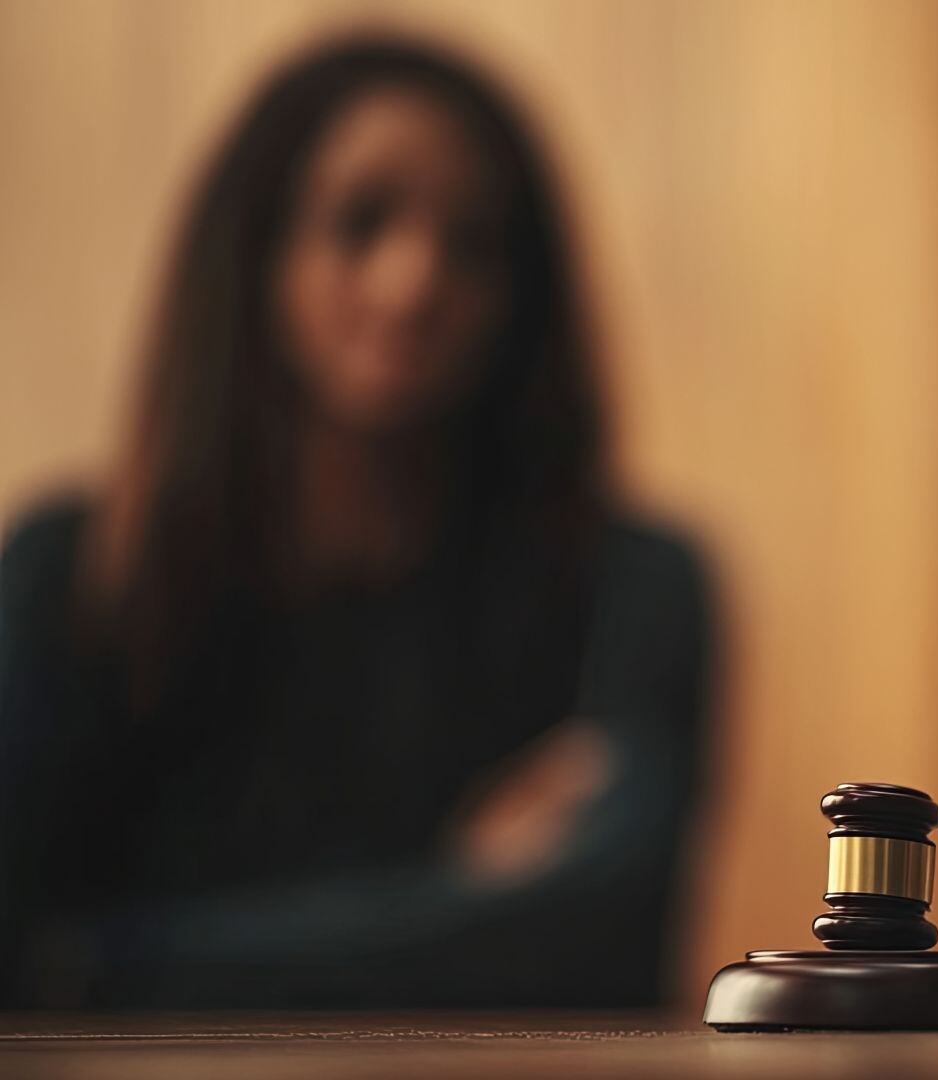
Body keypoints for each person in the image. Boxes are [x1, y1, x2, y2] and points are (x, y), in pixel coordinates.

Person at [0, 35, 712, 1008]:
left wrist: (106, 962)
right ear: (257, 250)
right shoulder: (72, 579)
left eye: (475, 241)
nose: (412, 281)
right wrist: (460, 893)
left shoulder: (634, 590)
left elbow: (605, 955)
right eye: (359, 221)